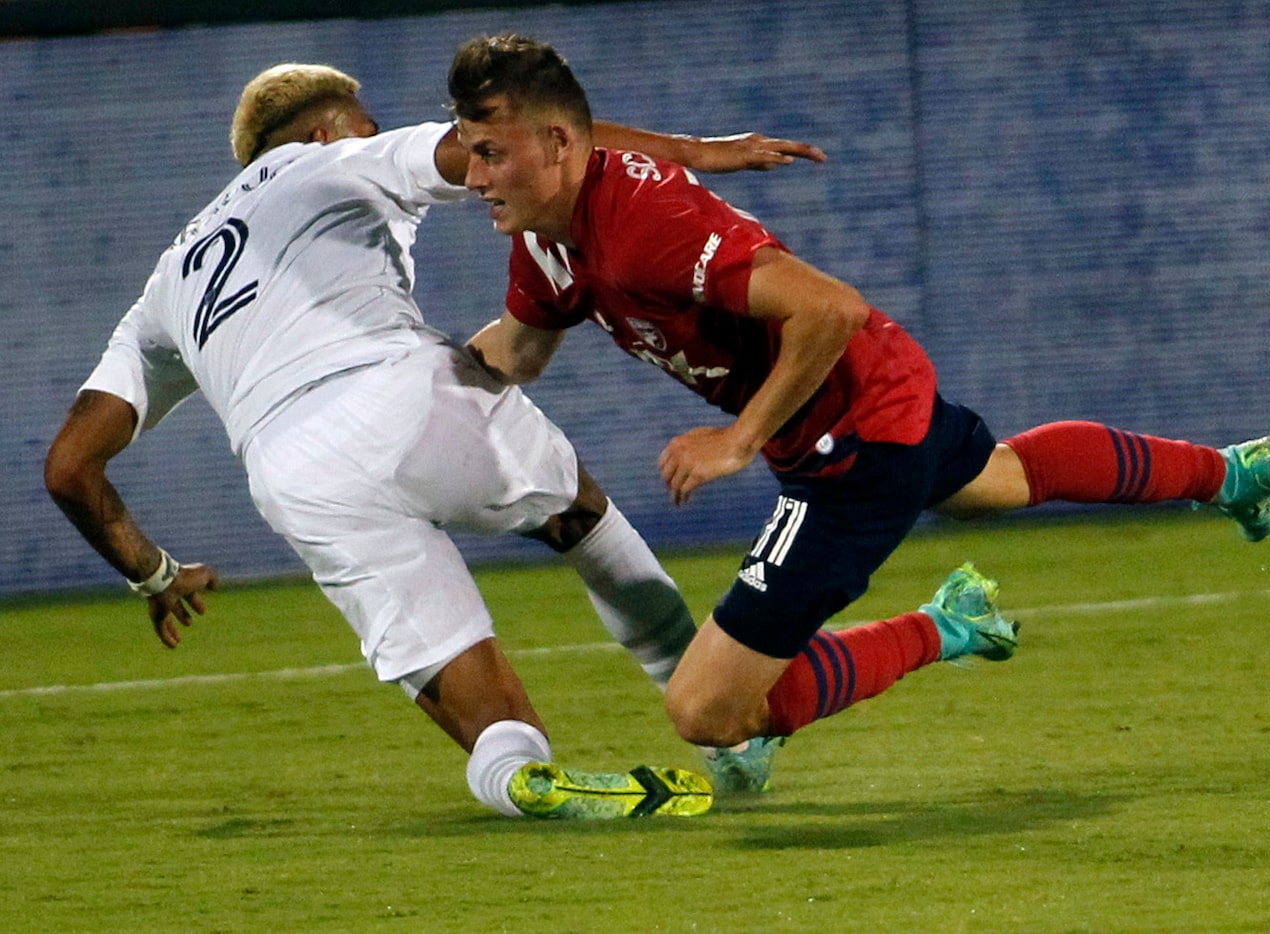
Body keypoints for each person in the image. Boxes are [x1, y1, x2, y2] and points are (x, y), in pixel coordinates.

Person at [445, 34, 1270, 793]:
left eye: (487, 153)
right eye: (467, 151)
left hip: (850, 440)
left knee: (707, 711)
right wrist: (393, 382)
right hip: (881, 388)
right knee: (1004, 478)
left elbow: (829, 309)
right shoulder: (548, 230)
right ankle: (1229, 473)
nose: (470, 174)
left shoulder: (642, 228)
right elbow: (515, 350)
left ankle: (942, 626)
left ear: (557, 143)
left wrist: (737, 441)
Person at [44, 63, 826, 819]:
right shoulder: (329, 162)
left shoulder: (168, 283)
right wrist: (695, 151)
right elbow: (518, 141)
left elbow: (70, 468)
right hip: (403, 392)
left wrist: (154, 575)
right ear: (323, 131)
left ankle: (519, 777)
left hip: (293, 474)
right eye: (366, 124)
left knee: (477, 702)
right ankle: (727, 741)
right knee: (579, 517)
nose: (382, 133)